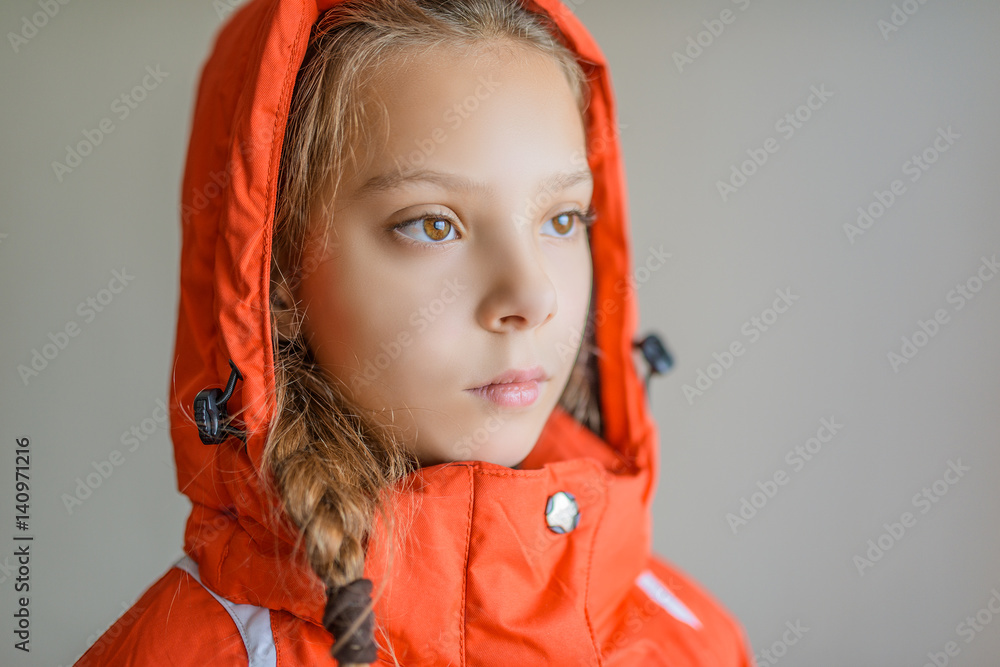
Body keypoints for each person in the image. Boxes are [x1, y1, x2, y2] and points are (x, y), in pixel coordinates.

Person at [75, 0, 753, 664]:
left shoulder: (695, 638)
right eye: (434, 224)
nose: (531, 295)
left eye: (563, 219)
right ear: (275, 275)